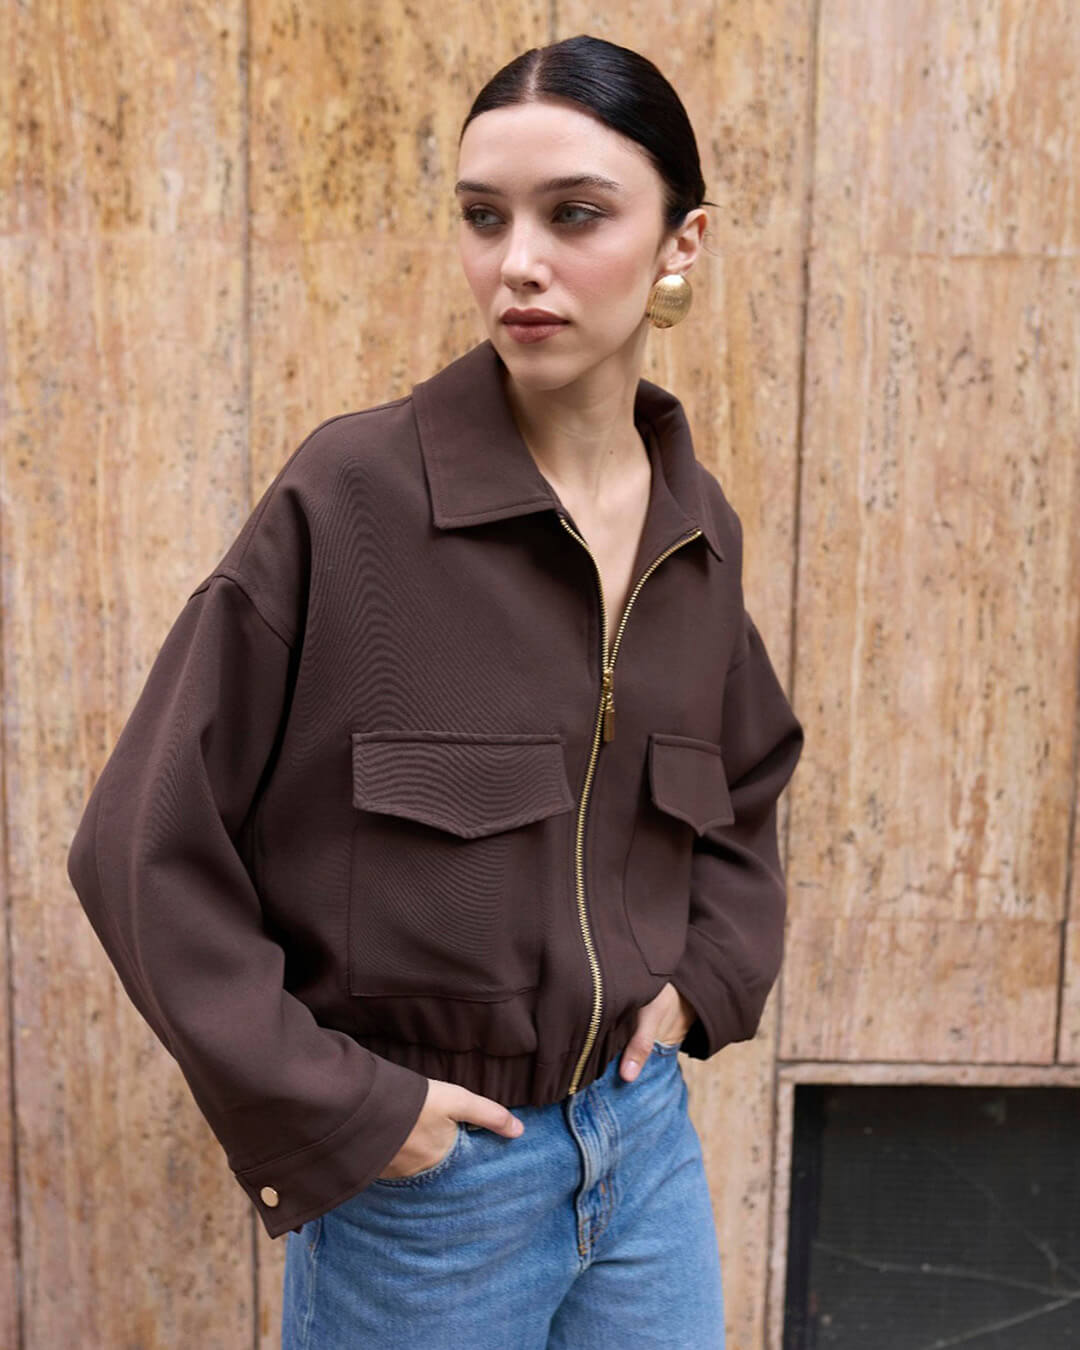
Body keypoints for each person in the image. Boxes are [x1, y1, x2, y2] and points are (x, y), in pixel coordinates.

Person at [66, 32, 804, 1350]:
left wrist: (705, 977)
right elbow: (138, 841)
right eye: (483, 216)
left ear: (681, 243)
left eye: (575, 214)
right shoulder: (351, 499)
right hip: (437, 1193)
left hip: (642, 1151)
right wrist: (347, 1107)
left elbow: (743, 783)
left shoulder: (695, 529)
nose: (517, 262)